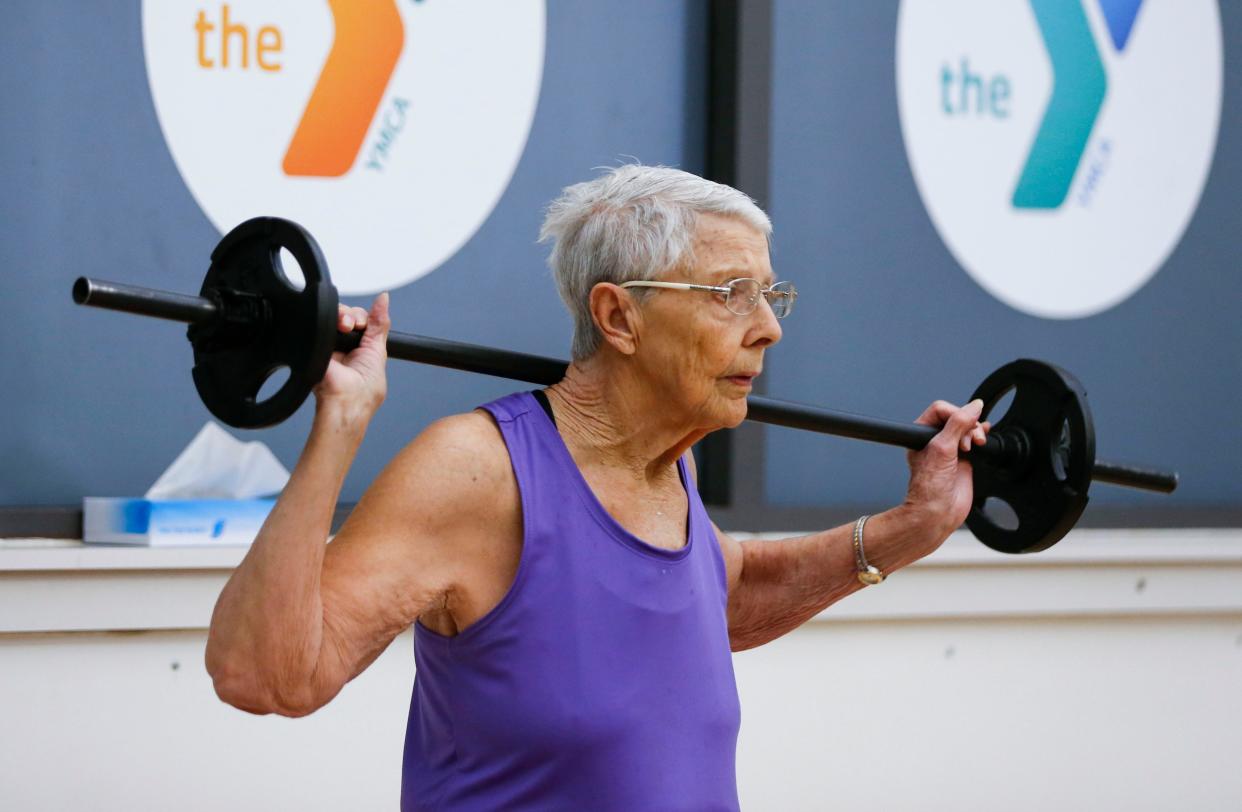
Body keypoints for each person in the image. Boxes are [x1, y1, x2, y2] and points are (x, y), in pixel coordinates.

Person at [205, 165, 990, 811]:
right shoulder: (479, 473)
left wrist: (916, 525)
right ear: (618, 317)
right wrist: (340, 424)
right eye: (730, 294)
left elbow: (725, 597)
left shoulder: (666, 467)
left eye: (769, 295)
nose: (769, 327)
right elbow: (266, 675)